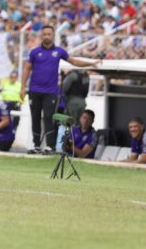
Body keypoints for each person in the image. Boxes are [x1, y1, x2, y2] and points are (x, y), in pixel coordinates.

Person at [20, 26, 99, 154]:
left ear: (53, 35)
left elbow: (73, 61)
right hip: (34, 90)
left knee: (49, 118)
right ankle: (36, 145)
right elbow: (27, 69)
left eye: (49, 34)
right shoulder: (34, 52)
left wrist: (91, 63)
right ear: (41, 36)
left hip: (51, 92)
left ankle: (49, 146)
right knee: (35, 117)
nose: (46, 36)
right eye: (44, 34)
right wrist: (22, 87)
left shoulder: (59, 51)